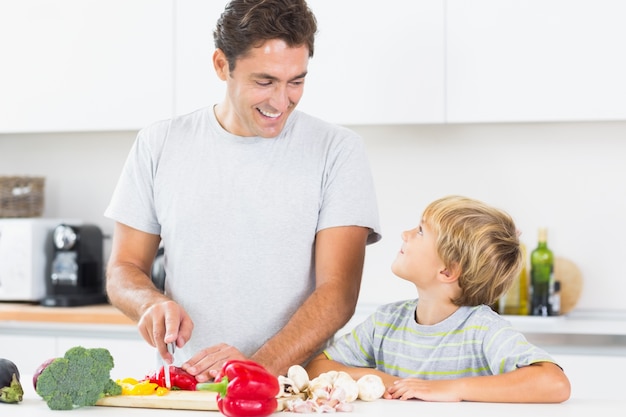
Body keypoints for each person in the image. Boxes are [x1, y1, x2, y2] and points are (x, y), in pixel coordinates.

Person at [104, 0, 380, 382]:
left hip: (293, 392)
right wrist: (149, 302)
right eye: (264, 82)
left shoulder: (337, 150)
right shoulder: (160, 144)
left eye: (296, 81)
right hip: (186, 390)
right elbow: (123, 269)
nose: (282, 102)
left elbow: (338, 295)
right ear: (222, 65)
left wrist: (256, 370)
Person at [305, 195, 571, 403]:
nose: (405, 234)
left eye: (420, 231)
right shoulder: (385, 322)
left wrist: (449, 389)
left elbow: (554, 383)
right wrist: (386, 380)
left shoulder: (482, 329)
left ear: (447, 271)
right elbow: (317, 368)